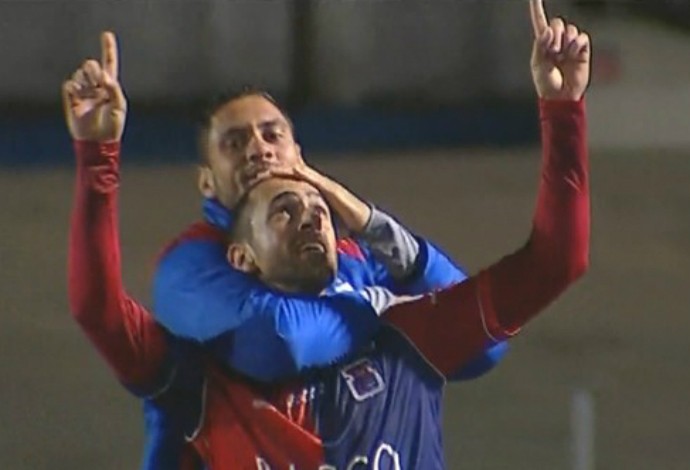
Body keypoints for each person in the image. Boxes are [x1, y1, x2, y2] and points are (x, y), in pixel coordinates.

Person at [65, 0, 591, 466]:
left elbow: (551, 267)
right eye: (284, 212)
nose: (259, 151)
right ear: (241, 256)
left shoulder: (402, 330)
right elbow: (271, 339)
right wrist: (97, 157)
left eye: (273, 135)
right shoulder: (196, 299)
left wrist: (562, 110)